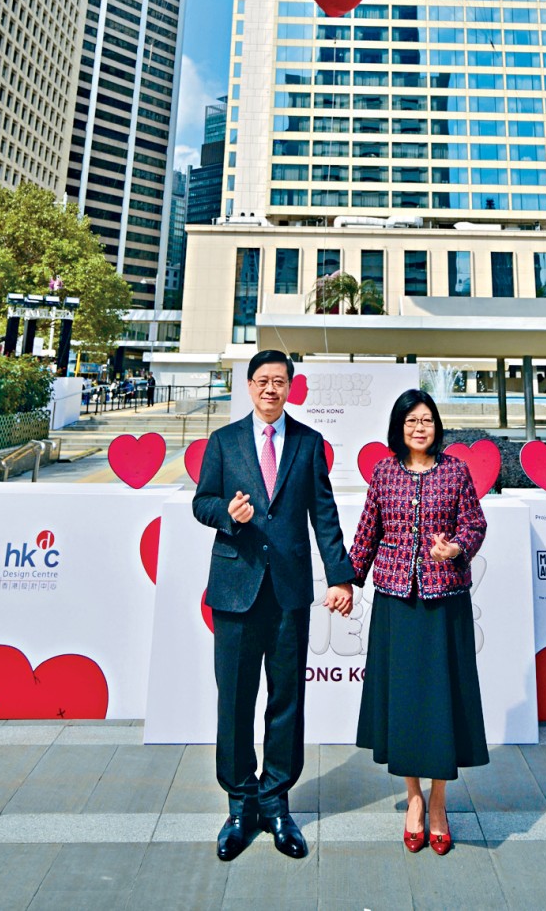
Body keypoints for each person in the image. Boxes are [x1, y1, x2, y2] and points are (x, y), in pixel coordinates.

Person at [193, 348, 355, 862]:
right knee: (235, 700)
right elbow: (202, 502)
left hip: (288, 594)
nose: (270, 389)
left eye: (279, 381)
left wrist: (342, 578)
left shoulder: (308, 444)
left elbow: (324, 518)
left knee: (286, 700)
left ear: (290, 386)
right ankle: (241, 804)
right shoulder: (222, 442)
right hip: (236, 592)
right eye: (262, 381)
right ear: (249, 385)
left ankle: (277, 802)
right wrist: (227, 513)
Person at [348, 389, 488, 856]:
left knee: (442, 701)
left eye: (426, 420)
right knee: (405, 704)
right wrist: (346, 581)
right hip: (396, 601)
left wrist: (457, 549)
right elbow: (368, 530)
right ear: (399, 427)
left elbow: (475, 524)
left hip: (444, 600)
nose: (420, 428)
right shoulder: (384, 472)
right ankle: (412, 800)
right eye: (411, 421)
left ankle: (440, 803)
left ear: (437, 425)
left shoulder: (456, 470)